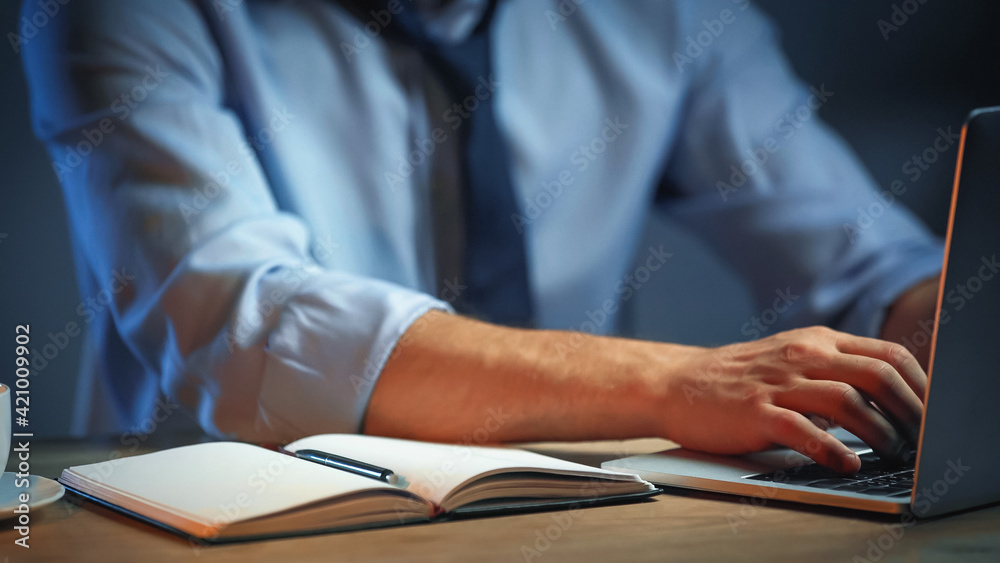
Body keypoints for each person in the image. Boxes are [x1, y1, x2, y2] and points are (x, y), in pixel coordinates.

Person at [22, 0, 943, 473]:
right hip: (225, 532)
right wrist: (677, 384)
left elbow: (868, 263)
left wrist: (947, 327)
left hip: (574, 522)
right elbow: (241, 321)